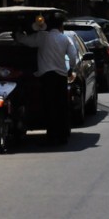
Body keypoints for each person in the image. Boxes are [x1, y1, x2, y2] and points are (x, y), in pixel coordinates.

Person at [15, 13, 78, 144]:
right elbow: (73, 56)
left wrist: (17, 33)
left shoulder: (42, 37)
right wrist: (70, 68)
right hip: (61, 77)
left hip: (46, 77)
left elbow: (24, 40)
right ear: (61, 26)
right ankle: (62, 135)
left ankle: (51, 135)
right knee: (61, 105)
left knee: (49, 105)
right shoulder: (65, 39)